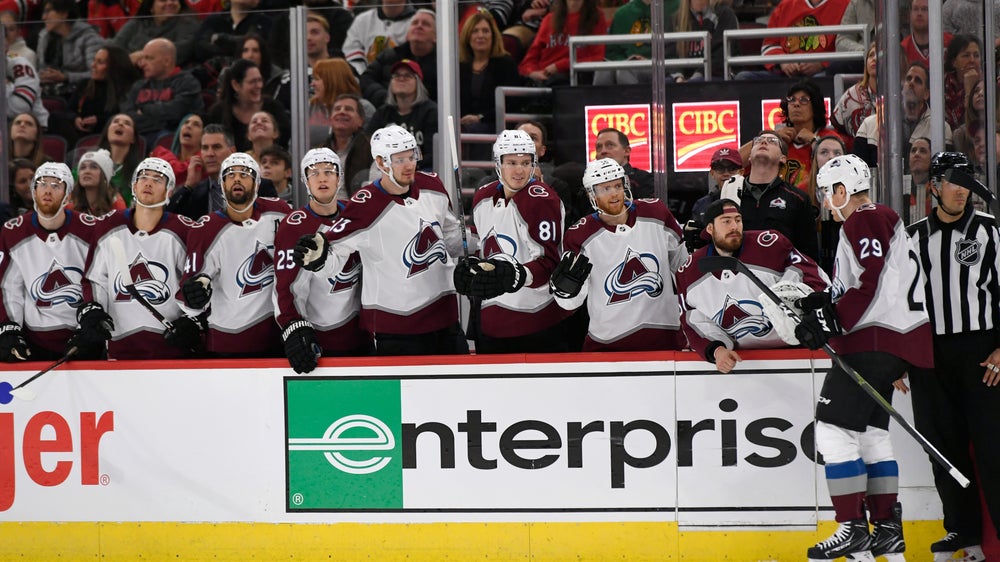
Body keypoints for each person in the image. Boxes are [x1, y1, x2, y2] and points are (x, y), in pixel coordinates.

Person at [796, 154, 933, 562]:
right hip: (892, 339)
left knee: (832, 430)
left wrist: (833, 321)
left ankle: (852, 528)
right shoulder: (880, 218)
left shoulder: (865, 217)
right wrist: (825, 303)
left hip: (872, 339)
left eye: (828, 192)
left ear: (843, 190)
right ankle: (886, 529)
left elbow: (870, 280)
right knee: (872, 434)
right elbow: (867, 280)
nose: (826, 201)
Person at [292, 125, 468, 356]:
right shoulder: (365, 205)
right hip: (399, 327)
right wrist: (318, 260)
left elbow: (452, 238)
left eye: (412, 156)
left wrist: (473, 252)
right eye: (399, 160)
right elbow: (334, 256)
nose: (409, 165)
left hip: (446, 318)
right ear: (381, 163)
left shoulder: (432, 185)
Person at [906, 152, 1000, 562]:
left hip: (983, 353)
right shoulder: (912, 238)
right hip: (929, 355)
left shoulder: (990, 231)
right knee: (942, 447)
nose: (962, 190)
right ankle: (963, 532)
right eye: (953, 182)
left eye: (967, 182)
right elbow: (899, 301)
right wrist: (899, 357)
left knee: (993, 447)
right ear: (934, 187)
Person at [675, 198, 829, 373]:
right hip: (740, 361)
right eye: (726, 221)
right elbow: (692, 321)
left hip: (797, 351)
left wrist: (810, 308)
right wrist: (717, 350)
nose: (734, 226)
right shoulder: (690, 272)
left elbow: (814, 277)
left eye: (738, 220)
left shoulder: (770, 245)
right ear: (710, 229)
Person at [551, 157, 688, 351]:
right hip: (608, 341)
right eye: (605, 189)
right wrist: (565, 291)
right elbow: (570, 304)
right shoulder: (579, 235)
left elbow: (684, 269)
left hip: (664, 333)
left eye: (617, 186)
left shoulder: (656, 213)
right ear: (591, 194)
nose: (614, 193)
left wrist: (694, 249)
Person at [453, 129, 566, 353]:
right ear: (498, 164)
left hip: (536, 322)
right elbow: (485, 246)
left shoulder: (541, 200)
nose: (519, 170)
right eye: (512, 163)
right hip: (490, 322)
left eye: (526, 163)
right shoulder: (483, 197)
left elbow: (549, 263)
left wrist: (516, 275)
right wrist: (472, 268)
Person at [79, 157, 204, 360]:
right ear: (134, 186)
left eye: (157, 179)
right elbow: (96, 280)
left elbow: (196, 286)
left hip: (171, 350)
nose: (148, 183)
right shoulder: (109, 226)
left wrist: (193, 321)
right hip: (120, 349)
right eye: (143, 177)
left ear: (169, 191)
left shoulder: (184, 230)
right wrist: (93, 310)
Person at [177, 152, 291, 357]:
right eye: (230, 175)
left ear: (257, 183)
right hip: (227, 342)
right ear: (222, 184)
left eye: (244, 174)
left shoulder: (280, 212)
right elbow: (189, 297)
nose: (237, 179)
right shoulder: (206, 229)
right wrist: (194, 295)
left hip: (276, 339)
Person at [274, 148, 370, 373]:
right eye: (314, 173)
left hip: (360, 334)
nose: (322, 178)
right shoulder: (294, 226)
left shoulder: (356, 214)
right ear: (305, 181)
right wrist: (294, 326)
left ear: (339, 178)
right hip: (319, 338)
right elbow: (286, 286)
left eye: (328, 171)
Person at [0, 163, 100, 362]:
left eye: (56, 185)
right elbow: (9, 287)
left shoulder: (90, 229)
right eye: (42, 184)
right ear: (34, 191)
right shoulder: (13, 232)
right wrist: (9, 328)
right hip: (34, 343)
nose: (47, 190)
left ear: (68, 195)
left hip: (82, 339)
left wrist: (90, 325)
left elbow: (99, 281)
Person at [727, 130, 819, 260]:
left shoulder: (798, 199)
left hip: (780, 271)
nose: (764, 142)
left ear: (783, 158)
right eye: (758, 141)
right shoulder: (727, 193)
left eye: (772, 141)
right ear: (749, 157)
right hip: (736, 270)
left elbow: (808, 255)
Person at [734, 0, 849, 80]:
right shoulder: (786, 5)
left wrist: (822, 63)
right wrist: (784, 61)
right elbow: (769, 45)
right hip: (785, 75)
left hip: (823, 74)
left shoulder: (846, 5)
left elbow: (848, 45)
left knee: (820, 82)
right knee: (743, 77)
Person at [52, 45, 139, 147]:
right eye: (94, 61)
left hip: (105, 134)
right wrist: (75, 119)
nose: (93, 65)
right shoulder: (85, 85)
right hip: (79, 132)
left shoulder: (128, 89)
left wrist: (98, 120)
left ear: (114, 67)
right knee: (55, 117)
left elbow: (124, 117)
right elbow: (69, 110)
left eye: (100, 62)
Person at [121, 38, 204, 142]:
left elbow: (176, 113)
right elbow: (126, 116)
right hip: (139, 136)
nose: (142, 64)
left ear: (167, 61)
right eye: (143, 58)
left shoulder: (187, 83)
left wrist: (143, 110)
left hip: (172, 140)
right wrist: (160, 120)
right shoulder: (139, 85)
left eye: (149, 58)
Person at [365, 59, 438, 171]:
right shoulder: (383, 113)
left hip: (421, 169)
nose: (401, 79)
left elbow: (432, 154)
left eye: (408, 76)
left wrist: (403, 163)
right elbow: (368, 145)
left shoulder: (430, 112)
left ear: (418, 83)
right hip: (387, 169)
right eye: (396, 75)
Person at [458, 9, 521, 139]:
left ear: (493, 36)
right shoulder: (461, 66)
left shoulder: (505, 63)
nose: (480, 35)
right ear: (467, 37)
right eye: (475, 31)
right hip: (464, 123)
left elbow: (511, 103)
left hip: (495, 124)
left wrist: (480, 117)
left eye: (485, 31)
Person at [206, 59, 290, 153]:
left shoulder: (273, 107)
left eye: (260, 80)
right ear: (236, 85)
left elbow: (285, 143)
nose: (258, 86)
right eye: (252, 82)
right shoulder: (218, 112)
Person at [518, 0, 607, 86]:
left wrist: (559, 66)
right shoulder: (549, 19)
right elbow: (529, 59)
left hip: (572, 81)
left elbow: (597, 58)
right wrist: (533, 73)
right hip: (542, 80)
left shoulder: (597, 18)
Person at [360, 8, 437, 107]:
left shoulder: (444, 64)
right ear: (407, 34)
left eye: (426, 24)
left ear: (436, 37)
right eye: (415, 23)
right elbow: (366, 79)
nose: (419, 26)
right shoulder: (389, 56)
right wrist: (387, 98)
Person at [35, 0, 103, 98]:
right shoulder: (44, 37)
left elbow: (96, 73)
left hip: (80, 94)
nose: (43, 17)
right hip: (47, 94)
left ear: (64, 14)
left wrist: (66, 77)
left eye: (48, 11)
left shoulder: (89, 38)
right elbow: (40, 69)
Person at [110, 0, 200, 66]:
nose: (170, 3)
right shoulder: (137, 23)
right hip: (130, 73)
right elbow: (114, 47)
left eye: (174, 0)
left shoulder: (188, 24)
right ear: (151, 7)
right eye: (163, 0)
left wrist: (142, 55)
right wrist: (127, 60)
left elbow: (180, 52)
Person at [309, 58, 374, 148]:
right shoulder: (310, 107)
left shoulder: (364, 107)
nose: (312, 84)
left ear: (332, 80)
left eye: (317, 79)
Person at [671, 0, 737, 82]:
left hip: (716, 77)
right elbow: (671, 55)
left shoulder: (724, 14)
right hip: (685, 79)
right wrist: (678, 77)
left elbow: (720, 57)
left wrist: (696, 77)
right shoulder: (677, 19)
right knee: (666, 82)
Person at [342, 0, 413, 75]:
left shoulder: (417, 22)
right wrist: (364, 74)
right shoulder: (362, 20)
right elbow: (351, 52)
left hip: (405, 77)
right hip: (365, 76)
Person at [194, 0, 272, 63]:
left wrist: (221, 39)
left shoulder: (263, 21)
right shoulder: (213, 19)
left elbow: (253, 43)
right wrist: (236, 49)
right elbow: (200, 49)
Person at [328, 93, 373, 198]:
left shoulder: (372, 149)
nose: (342, 112)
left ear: (360, 121)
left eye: (348, 109)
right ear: (330, 119)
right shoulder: (320, 150)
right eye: (337, 109)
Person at [96, 113, 143, 204]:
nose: (120, 124)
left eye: (127, 123)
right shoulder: (88, 164)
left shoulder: (139, 172)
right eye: (115, 121)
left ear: (133, 138)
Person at [594, 127, 653, 198]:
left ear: (627, 151)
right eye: (599, 147)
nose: (603, 151)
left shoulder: (645, 181)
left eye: (610, 145)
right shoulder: (589, 185)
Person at [833, 42, 876, 138]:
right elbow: (837, 127)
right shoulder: (852, 94)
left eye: (879, 55)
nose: (874, 59)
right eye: (871, 55)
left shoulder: (898, 94)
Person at [691, 146, 742, 224]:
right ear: (712, 173)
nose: (726, 173)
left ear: (741, 172)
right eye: (720, 168)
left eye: (732, 168)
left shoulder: (752, 200)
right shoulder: (701, 204)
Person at [68, 149, 126, 216]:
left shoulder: (116, 203)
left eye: (94, 167)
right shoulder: (70, 201)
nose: (87, 171)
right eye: (83, 167)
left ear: (105, 176)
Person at [943, 35, 982, 131]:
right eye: (966, 55)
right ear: (954, 62)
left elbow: (976, 125)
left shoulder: (988, 86)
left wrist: (970, 89)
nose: (972, 60)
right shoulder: (941, 86)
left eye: (976, 55)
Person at [901, 0, 952, 67]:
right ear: (909, 15)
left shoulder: (950, 42)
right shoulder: (904, 48)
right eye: (915, 9)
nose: (919, 14)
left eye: (924, 9)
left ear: (934, 13)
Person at [5, 54, 49, 128]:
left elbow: (19, 109)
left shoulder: (20, 65)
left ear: (5, 49)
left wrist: (6, 86)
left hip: (28, 128)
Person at [903, 137, 932, 225]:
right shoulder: (901, 192)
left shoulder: (938, 192)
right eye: (913, 151)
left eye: (922, 151)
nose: (916, 154)